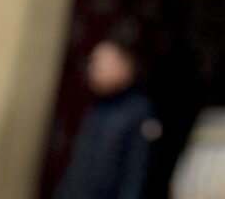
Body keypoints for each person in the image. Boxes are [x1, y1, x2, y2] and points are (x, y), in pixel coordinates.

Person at [55, 41, 161, 199]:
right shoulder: (99, 106)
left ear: (125, 66)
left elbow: (135, 174)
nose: (93, 70)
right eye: (93, 64)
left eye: (102, 65)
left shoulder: (138, 111)